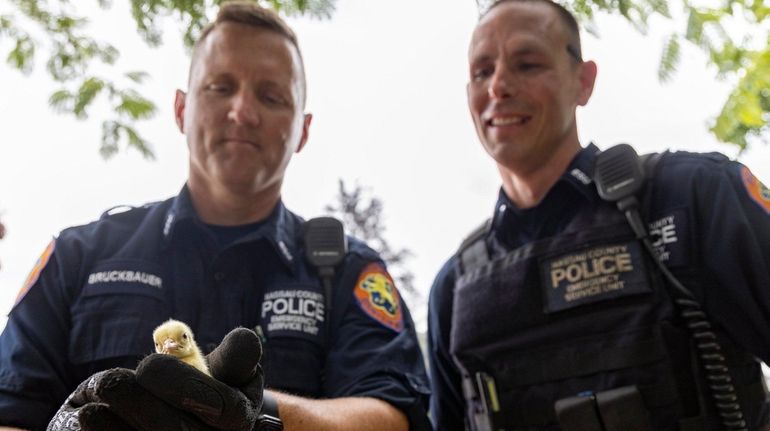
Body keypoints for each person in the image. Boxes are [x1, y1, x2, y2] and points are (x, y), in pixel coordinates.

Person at [0, 2, 430, 430]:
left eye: (271, 95)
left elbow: (392, 415)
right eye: (220, 87)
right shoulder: (75, 258)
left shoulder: (349, 272)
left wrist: (256, 413)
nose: (242, 112)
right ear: (182, 109)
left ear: (303, 129)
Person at [427, 0, 770, 430]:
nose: (498, 86)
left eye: (527, 64)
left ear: (583, 82)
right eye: (481, 72)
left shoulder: (691, 198)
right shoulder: (453, 289)